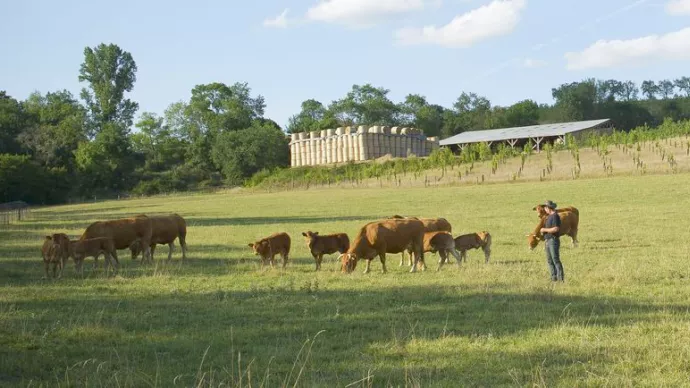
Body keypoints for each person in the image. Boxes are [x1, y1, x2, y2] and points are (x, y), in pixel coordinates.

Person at [540, 200, 564, 282]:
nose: (544, 209)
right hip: (548, 241)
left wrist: (544, 229)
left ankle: (560, 279)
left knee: (555, 259)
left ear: (548, 208)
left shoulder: (555, 216)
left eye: (545, 208)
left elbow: (556, 229)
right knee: (549, 260)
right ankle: (553, 278)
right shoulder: (549, 216)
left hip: (553, 241)